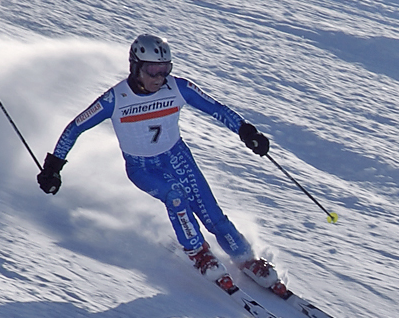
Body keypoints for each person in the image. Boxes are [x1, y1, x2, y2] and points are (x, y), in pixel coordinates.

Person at [37, 34, 282, 289]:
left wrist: (247, 132)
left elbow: (217, 109)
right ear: (135, 67)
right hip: (142, 167)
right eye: (152, 70)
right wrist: (53, 167)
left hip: (177, 158)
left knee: (212, 214)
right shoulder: (115, 99)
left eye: (164, 70)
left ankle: (246, 259)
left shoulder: (178, 88)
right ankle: (198, 252)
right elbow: (75, 127)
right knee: (175, 196)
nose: (159, 78)